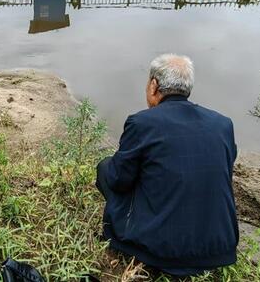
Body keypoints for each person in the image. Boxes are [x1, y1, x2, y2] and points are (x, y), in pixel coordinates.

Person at [96, 54, 238, 277]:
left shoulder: (142, 122)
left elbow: (118, 180)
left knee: (106, 168)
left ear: (154, 85)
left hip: (160, 250)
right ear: (187, 88)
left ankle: (131, 236)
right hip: (218, 248)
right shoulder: (222, 124)